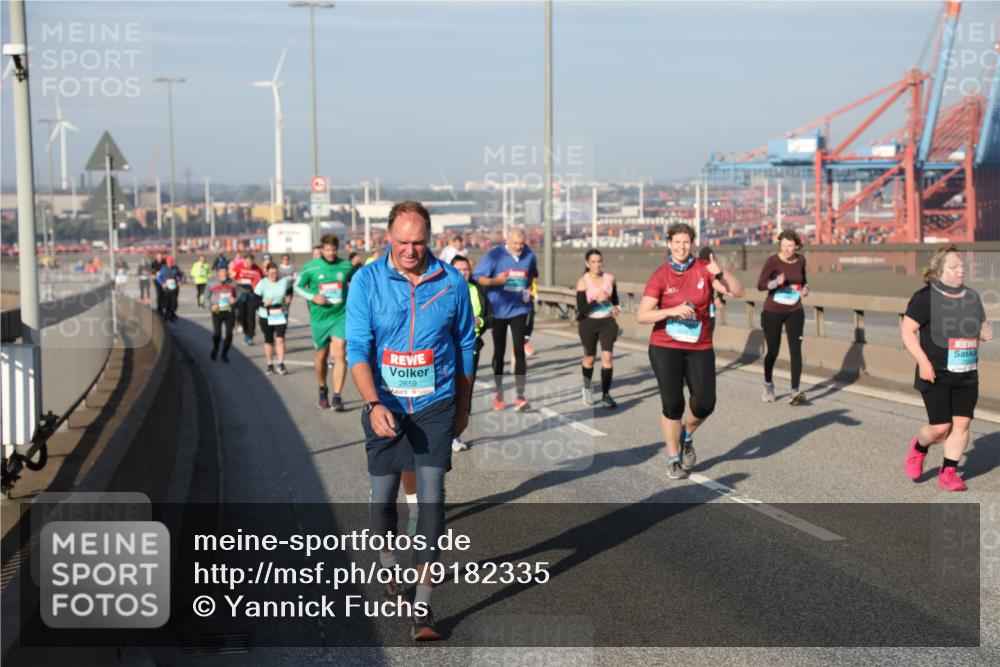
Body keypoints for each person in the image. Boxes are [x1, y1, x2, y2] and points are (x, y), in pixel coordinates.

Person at [346, 200, 475, 641]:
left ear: (430, 239)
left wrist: (462, 408)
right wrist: (371, 402)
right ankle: (389, 568)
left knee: (433, 500)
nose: (410, 250)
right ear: (388, 238)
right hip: (385, 405)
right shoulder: (366, 281)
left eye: (419, 242)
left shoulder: (452, 282)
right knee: (383, 502)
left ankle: (423, 606)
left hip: (435, 403)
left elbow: (465, 348)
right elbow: (358, 349)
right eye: (402, 242)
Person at [636, 223, 744, 480]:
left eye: (686, 242)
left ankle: (686, 434)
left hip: (699, 345)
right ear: (669, 244)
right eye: (677, 242)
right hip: (665, 346)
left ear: (692, 243)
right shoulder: (660, 275)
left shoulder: (704, 270)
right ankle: (673, 459)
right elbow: (642, 316)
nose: (682, 247)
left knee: (705, 403)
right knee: (673, 404)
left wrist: (721, 271)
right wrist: (670, 311)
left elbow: (738, 292)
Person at [901, 245, 992, 492]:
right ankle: (919, 448)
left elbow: (980, 325)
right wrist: (923, 362)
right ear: (939, 271)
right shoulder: (924, 298)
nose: (961, 271)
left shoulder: (971, 297)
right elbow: (908, 331)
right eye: (954, 267)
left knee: (962, 424)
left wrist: (985, 331)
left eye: (962, 266)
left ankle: (948, 472)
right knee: (940, 428)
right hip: (935, 372)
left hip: (967, 371)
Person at [473, 227, 538, 411]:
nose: (519, 247)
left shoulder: (530, 256)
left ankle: (520, 395)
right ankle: (499, 392)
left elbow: (532, 274)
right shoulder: (494, 255)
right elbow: (479, 278)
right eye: (515, 243)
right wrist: (497, 281)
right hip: (498, 310)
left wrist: (529, 291)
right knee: (499, 352)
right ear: (507, 241)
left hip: (520, 309)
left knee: (519, 350)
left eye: (521, 243)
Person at [295, 234, 357, 410]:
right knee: (321, 356)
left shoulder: (345, 266)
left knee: (339, 354)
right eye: (327, 249)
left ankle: (337, 396)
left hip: (340, 316)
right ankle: (323, 388)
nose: (330, 253)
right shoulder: (311, 267)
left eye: (334, 250)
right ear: (321, 249)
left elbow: (359, 281)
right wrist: (313, 296)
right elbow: (297, 287)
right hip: (320, 318)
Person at [757, 230, 809, 405]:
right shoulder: (773, 261)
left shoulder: (801, 260)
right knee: (773, 351)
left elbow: (803, 279)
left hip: (795, 309)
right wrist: (776, 283)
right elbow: (760, 285)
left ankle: (794, 391)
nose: (786, 249)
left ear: (797, 246)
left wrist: (805, 289)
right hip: (773, 311)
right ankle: (768, 384)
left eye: (790, 246)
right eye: (783, 246)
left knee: (796, 350)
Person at [450, 254, 492, 452]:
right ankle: (442, 431)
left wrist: (480, 322)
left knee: (466, 390)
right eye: (459, 269)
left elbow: (488, 316)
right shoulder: (444, 290)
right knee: (447, 390)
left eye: (466, 269)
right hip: (447, 347)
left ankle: (456, 433)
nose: (463, 273)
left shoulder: (477, 290)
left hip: (471, 345)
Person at [575, 249, 620, 408]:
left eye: (599, 261)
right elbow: (581, 309)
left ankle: (606, 395)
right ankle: (587, 389)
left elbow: (615, 300)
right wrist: (596, 301)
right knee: (590, 359)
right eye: (593, 262)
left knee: (607, 358)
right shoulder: (583, 281)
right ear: (587, 264)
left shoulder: (610, 279)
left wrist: (616, 308)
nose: (597, 265)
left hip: (607, 322)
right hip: (588, 323)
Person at [254, 262, 291, 375]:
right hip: (266, 314)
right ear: (267, 273)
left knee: (280, 339)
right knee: (269, 340)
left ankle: (281, 364)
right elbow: (255, 300)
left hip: (280, 313)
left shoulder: (284, 282)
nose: (274, 276)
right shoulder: (262, 283)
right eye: (271, 274)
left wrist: (288, 298)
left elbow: (290, 290)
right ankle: (270, 364)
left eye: (275, 273)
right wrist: (263, 303)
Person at [207, 266, 237, 362]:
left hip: (229, 311)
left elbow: (239, 295)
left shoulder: (233, 283)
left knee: (229, 334)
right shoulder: (211, 283)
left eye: (225, 272)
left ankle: (224, 353)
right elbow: (206, 297)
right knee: (217, 334)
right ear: (218, 273)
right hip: (217, 311)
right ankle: (215, 348)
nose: (224, 274)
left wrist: (235, 300)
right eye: (222, 272)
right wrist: (211, 306)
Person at [233, 252, 264, 345]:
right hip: (241, 294)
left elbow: (262, 280)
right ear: (244, 260)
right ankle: (246, 333)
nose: (249, 264)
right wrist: (239, 281)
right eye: (247, 261)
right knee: (242, 316)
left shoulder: (257, 268)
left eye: (251, 262)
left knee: (251, 316)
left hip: (252, 295)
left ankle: (250, 336)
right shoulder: (238, 267)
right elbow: (232, 279)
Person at [156, 256, 184, 322]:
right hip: (166, 289)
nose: (170, 264)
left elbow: (181, 275)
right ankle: (166, 315)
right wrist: (162, 283)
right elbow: (158, 277)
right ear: (167, 262)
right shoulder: (163, 269)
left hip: (174, 289)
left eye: (171, 262)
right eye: (169, 263)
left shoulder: (176, 268)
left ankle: (172, 314)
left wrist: (180, 281)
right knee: (167, 303)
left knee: (174, 303)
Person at [150, 251, 166, 316]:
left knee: (164, 294)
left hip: (165, 281)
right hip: (157, 281)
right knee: (159, 294)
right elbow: (152, 273)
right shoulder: (153, 264)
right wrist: (152, 279)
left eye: (160, 255)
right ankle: (159, 308)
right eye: (158, 256)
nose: (159, 257)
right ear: (156, 256)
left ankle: (164, 306)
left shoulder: (164, 263)